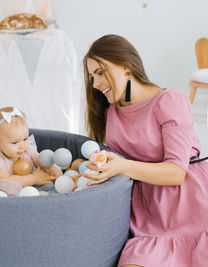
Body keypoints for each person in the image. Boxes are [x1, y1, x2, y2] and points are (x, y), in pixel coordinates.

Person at [82, 34, 208, 267]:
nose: (95, 84)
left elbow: (176, 172)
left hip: (191, 205)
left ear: (126, 66)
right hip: (148, 217)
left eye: (100, 72)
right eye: (91, 77)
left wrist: (122, 166)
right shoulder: (111, 112)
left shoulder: (169, 101)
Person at [0, 106, 61, 189]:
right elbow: (6, 181)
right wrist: (33, 179)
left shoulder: (28, 149)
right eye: (15, 142)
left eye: (25, 139)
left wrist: (57, 175)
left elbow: (43, 163)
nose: (22, 146)